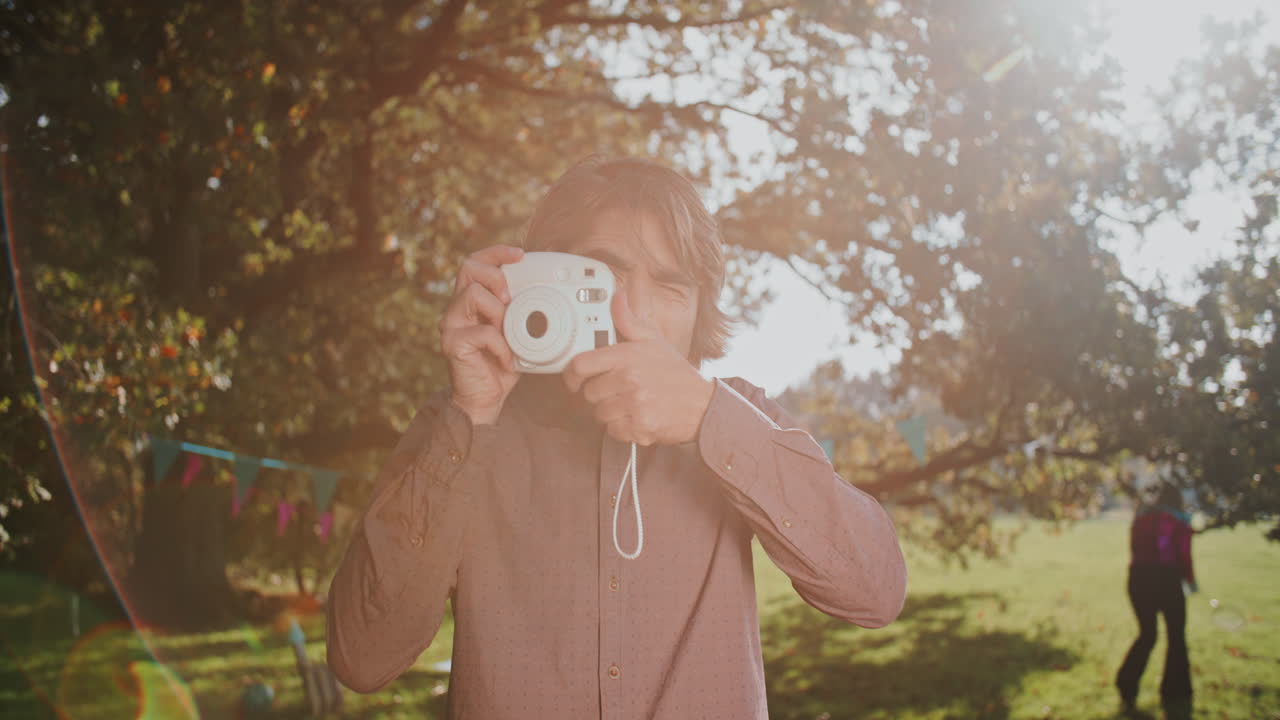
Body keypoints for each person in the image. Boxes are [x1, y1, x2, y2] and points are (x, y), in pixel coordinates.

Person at [325, 155, 908, 719]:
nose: (638, 315)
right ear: (542, 280)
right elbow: (361, 659)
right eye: (604, 276)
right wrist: (470, 416)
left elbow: (876, 592)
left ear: (700, 311)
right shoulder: (461, 425)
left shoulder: (739, 416)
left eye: (672, 288)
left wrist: (710, 420)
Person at [1115, 484, 1196, 715]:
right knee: (1176, 636)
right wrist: (1190, 581)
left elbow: (1134, 550)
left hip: (1138, 579)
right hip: (1167, 580)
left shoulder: (1141, 519)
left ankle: (1126, 683)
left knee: (1147, 634)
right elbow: (1183, 554)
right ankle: (1176, 690)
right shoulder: (1179, 520)